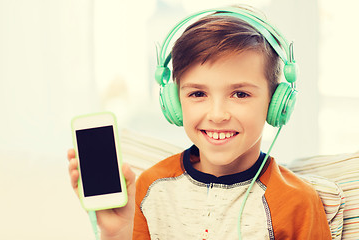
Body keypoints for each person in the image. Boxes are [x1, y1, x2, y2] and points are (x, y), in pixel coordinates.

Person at [67, 6, 331, 240]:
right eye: (198, 94)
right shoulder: (150, 188)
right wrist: (116, 234)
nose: (217, 115)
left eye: (240, 94)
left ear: (277, 104)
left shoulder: (299, 203)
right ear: (174, 102)